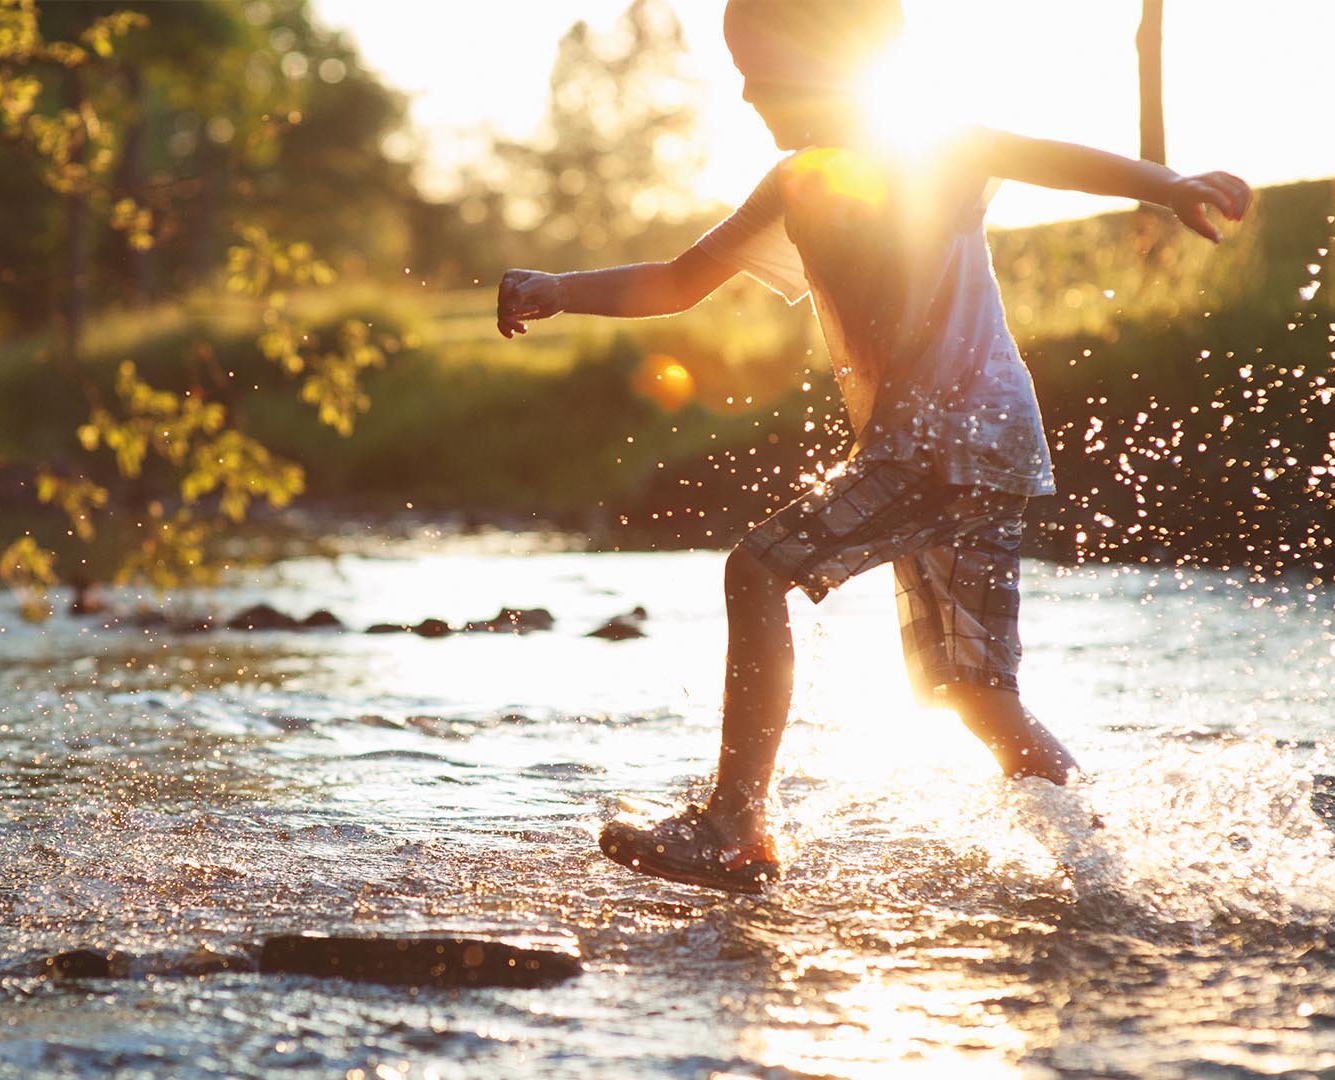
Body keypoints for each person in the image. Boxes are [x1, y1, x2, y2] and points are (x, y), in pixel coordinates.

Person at [495, 0, 1251, 892]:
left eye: (760, 71)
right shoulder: (795, 184)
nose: (744, 93)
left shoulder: (928, 148)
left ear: (835, 59)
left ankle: (735, 824)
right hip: (977, 446)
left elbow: (1040, 154)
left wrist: (1165, 184)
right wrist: (557, 290)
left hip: (947, 441)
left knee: (758, 568)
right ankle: (1115, 871)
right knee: (977, 693)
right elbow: (676, 282)